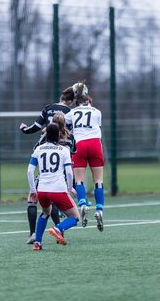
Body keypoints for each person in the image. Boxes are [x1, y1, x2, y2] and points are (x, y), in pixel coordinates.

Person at [20, 86, 75, 244]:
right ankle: (60, 231)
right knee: (60, 206)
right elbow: (73, 158)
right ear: (71, 102)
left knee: (34, 202)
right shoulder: (69, 133)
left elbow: (35, 128)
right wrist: (71, 187)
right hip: (61, 175)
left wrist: (24, 129)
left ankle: (34, 235)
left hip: (43, 176)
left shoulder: (47, 112)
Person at [27, 123, 80, 250]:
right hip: (58, 190)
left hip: (43, 190)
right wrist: (69, 189)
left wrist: (33, 190)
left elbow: (29, 171)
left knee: (45, 213)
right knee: (75, 217)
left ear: (46, 135)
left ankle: (38, 243)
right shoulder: (64, 150)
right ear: (58, 135)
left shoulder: (38, 150)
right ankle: (58, 228)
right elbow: (68, 172)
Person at [65, 84, 105, 231]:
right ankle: (99, 209)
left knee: (79, 179)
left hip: (80, 145)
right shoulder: (97, 112)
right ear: (88, 100)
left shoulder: (72, 112)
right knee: (98, 180)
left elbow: (65, 125)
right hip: (95, 144)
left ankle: (82, 204)